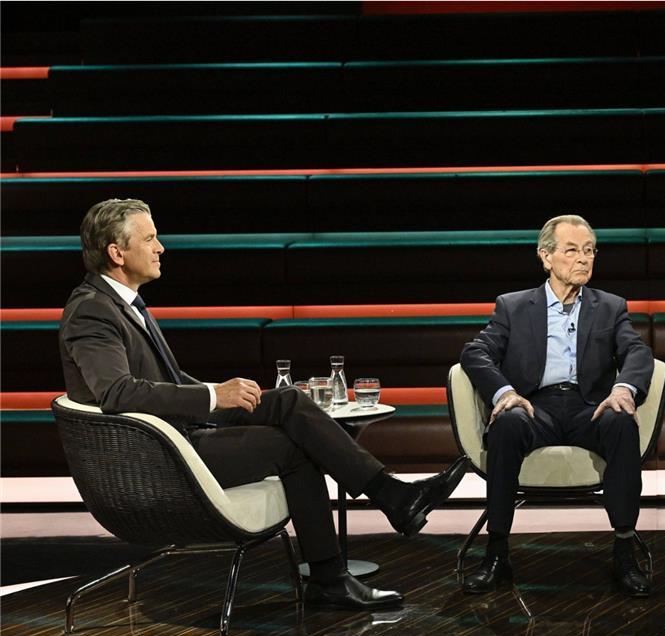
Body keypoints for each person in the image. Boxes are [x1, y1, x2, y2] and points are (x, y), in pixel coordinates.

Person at [60, 198, 466, 611]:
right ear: (116, 252)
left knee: (288, 402)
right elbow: (117, 392)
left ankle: (391, 497)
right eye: (149, 238)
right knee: (292, 449)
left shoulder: (122, 303)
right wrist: (215, 396)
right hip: (159, 457)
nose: (160, 246)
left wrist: (217, 389)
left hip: (176, 433)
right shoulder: (92, 311)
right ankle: (335, 571)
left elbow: (164, 381)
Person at [459, 214, 656, 596]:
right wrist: (504, 394)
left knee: (620, 423)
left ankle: (624, 550)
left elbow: (637, 351)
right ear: (546, 257)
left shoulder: (610, 306)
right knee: (507, 425)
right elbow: (476, 352)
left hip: (589, 408)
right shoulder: (513, 307)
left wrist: (624, 390)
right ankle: (496, 553)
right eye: (572, 251)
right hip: (536, 407)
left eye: (589, 251)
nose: (583, 259)